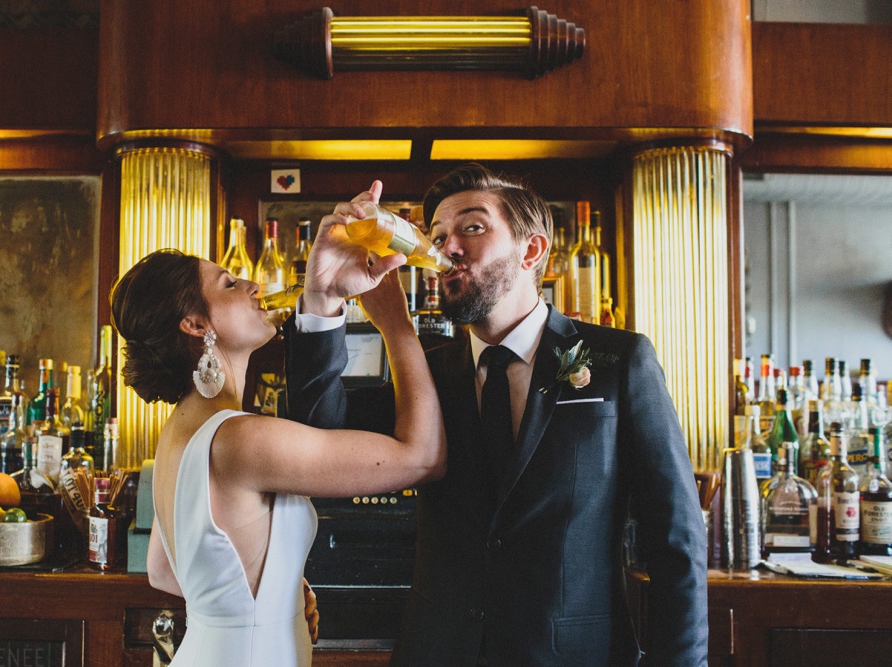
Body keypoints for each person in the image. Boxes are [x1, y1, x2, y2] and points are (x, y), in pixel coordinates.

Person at [284, 163, 709, 666]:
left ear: (531, 250)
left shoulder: (620, 361)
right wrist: (322, 298)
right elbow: (318, 442)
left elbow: (675, 540)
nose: (448, 247)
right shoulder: (424, 373)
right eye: (438, 236)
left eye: (472, 227)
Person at [110, 247, 446, 667]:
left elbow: (162, 568)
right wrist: (395, 322)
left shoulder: (180, 430)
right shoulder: (241, 440)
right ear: (195, 324)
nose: (253, 287)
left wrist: (273, 588)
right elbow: (423, 457)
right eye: (230, 284)